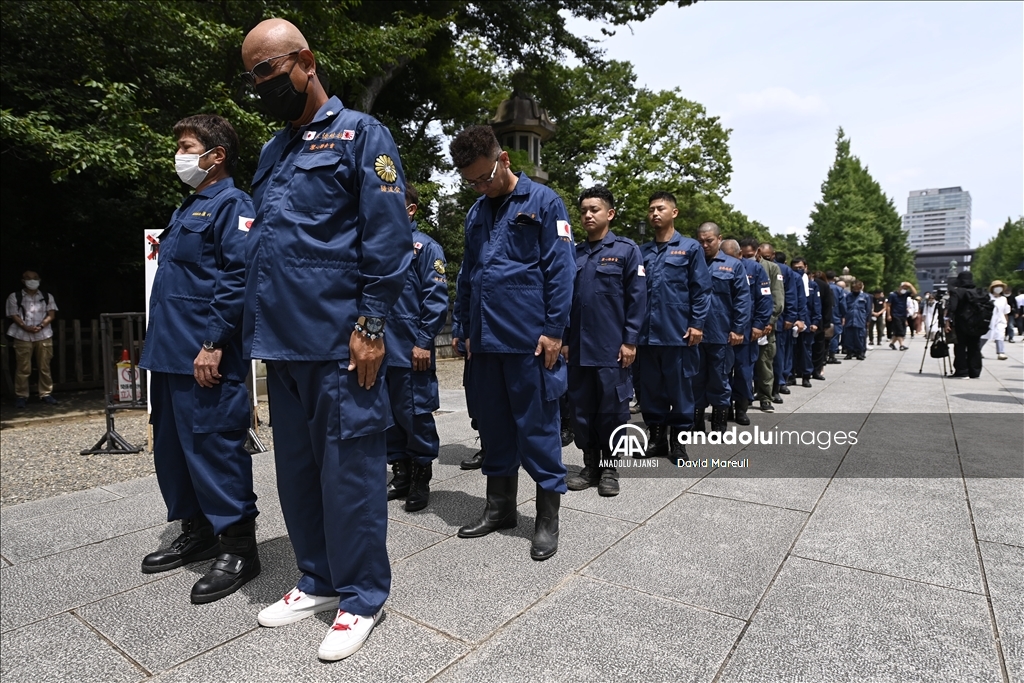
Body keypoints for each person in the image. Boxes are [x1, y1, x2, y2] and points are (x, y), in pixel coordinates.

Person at [240, 19, 412, 661]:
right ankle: (316, 578)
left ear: (304, 62)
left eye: (267, 70)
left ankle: (363, 595)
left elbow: (388, 238)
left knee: (351, 474)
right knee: (298, 473)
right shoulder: (272, 151)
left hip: (342, 344)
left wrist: (371, 326)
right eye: (249, 75)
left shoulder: (363, 136)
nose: (258, 84)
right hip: (281, 343)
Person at [138, 115, 260, 603]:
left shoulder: (233, 205)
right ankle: (198, 529)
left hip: (204, 354)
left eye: (187, 147)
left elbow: (237, 276)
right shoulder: (187, 209)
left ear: (216, 155)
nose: (180, 156)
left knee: (214, 448)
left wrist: (213, 342)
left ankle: (238, 547)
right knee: (173, 450)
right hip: (169, 353)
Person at [450, 125, 574, 561]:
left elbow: (561, 270)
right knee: (495, 428)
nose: (481, 186)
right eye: (471, 182)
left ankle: (546, 518)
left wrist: (555, 330)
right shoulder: (475, 212)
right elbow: (468, 274)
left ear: (503, 160)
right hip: (485, 342)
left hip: (529, 341)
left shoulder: (544, 202)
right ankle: (499, 506)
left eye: (485, 177)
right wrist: (461, 326)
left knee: (538, 429)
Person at [562, 185, 646, 494]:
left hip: (612, 348)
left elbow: (637, 299)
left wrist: (630, 341)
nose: (587, 215)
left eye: (594, 209)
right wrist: (566, 340)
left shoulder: (626, 250)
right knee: (581, 410)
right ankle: (590, 465)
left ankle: (610, 468)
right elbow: (566, 300)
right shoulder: (575, 253)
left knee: (613, 409)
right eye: (583, 210)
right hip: (579, 349)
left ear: (609, 213)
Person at [383, 184, 449, 512]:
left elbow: (435, 301)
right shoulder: (375, 244)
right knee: (387, 416)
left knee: (415, 415)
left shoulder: (425, 248)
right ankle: (401, 473)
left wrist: (423, 342)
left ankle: (421, 477)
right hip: (380, 351)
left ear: (411, 210)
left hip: (411, 350)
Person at [636, 193, 711, 457]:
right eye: (651, 210)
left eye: (660, 208)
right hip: (646, 335)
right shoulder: (641, 251)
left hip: (678, 333)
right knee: (650, 390)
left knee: (680, 391)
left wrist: (697, 324)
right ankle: (656, 440)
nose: (655, 213)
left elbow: (701, 289)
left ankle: (678, 442)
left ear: (674, 212)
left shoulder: (690, 248)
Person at [694, 224, 751, 432]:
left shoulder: (734, 266)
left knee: (720, 380)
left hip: (722, 334)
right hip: (695, 334)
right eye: (701, 241)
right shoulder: (693, 262)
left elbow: (743, 300)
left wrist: (738, 329)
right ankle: (696, 423)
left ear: (719, 239)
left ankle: (719, 425)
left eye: (709, 240)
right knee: (695, 380)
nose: (705, 245)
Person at [723, 239, 770, 426]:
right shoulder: (717, 266)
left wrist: (759, 325)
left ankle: (741, 408)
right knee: (723, 373)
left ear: (740, 255)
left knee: (744, 372)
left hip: (747, 331)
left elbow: (764, 299)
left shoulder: (755, 269)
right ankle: (724, 409)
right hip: (724, 332)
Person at [6, 271, 58, 409]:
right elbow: (13, 315)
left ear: (39, 280)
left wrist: (41, 326)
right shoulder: (15, 297)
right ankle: (21, 395)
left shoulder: (47, 296)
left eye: (35, 278)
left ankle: (46, 393)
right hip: (22, 335)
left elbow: (51, 314)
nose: (32, 281)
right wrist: (25, 327)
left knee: (44, 366)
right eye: (28, 278)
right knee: (23, 367)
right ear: (23, 281)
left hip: (44, 334)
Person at [745, 240, 784, 413]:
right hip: (745, 324)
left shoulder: (772, 268)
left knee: (764, 363)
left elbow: (777, 297)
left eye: (749, 255)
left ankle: (765, 398)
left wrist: (770, 321)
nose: (746, 259)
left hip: (765, 325)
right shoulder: (739, 266)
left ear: (757, 252)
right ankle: (744, 398)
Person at [770, 249, 805, 399]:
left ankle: (779, 382)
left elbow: (793, 296)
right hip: (779, 318)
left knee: (780, 352)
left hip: (779, 318)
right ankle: (779, 382)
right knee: (780, 352)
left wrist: (792, 317)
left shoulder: (786, 272)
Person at [945, 271, 988, 379]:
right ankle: (975, 371)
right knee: (974, 347)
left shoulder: (957, 292)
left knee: (960, 346)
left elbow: (952, 308)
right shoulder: (978, 292)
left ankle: (962, 371)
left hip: (962, 323)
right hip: (977, 324)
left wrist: (947, 322)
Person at [790, 257, 818, 388]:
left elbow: (816, 305)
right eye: (795, 268)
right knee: (792, 351)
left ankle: (806, 376)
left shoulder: (812, 285)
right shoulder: (791, 281)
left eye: (800, 268)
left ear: (806, 267)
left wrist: (815, 321)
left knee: (806, 351)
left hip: (807, 323)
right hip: (792, 322)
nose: (798, 270)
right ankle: (791, 375)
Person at [982, 280, 1011, 361]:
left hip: (1000, 320)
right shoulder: (987, 297)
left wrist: (1006, 320)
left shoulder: (1003, 299)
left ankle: (1000, 352)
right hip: (989, 320)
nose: (999, 288)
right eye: (996, 287)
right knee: (984, 336)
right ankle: (977, 350)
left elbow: (1005, 311)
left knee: (1000, 335)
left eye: (1000, 287)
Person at [843, 281, 871, 360]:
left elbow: (868, 309)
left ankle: (860, 352)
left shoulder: (865, 296)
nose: (855, 291)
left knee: (860, 337)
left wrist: (867, 320)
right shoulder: (848, 296)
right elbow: (845, 307)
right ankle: (849, 352)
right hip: (850, 319)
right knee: (849, 337)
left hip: (860, 319)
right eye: (854, 289)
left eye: (857, 289)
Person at [886, 281, 917, 350]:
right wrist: (889, 315)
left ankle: (892, 343)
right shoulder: (892, 295)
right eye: (903, 288)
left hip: (903, 314)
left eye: (906, 288)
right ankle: (901, 345)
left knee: (900, 331)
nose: (904, 290)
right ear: (900, 287)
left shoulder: (905, 294)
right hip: (895, 314)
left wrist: (910, 285)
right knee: (900, 331)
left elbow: (914, 293)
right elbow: (888, 305)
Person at [827, 273, 847, 364]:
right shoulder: (839, 289)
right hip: (835, 315)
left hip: (823, 315)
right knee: (834, 335)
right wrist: (843, 315)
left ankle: (823, 355)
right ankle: (832, 355)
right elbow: (842, 304)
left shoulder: (821, 286)